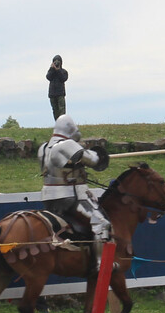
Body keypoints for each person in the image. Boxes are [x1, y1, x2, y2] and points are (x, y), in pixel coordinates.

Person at [38, 114, 111, 272]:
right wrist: (100, 155)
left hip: (48, 198)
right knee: (101, 223)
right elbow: (93, 161)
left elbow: (64, 166)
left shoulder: (43, 148)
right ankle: (101, 265)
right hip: (68, 198)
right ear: (70, 129)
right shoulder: (67, 144)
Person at [46, 55, 68, 120]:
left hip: (60, 94)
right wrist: (52, 69)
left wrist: (58, 70)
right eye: (55, 61)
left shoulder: (64, 71)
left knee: (62, 110)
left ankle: (62, 124)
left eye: (58, 61)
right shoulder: (51, 71)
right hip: (52, 94)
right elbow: (48, 77)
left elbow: (63, 78)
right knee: (55, 110)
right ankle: (58, 123)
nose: (56, 63)